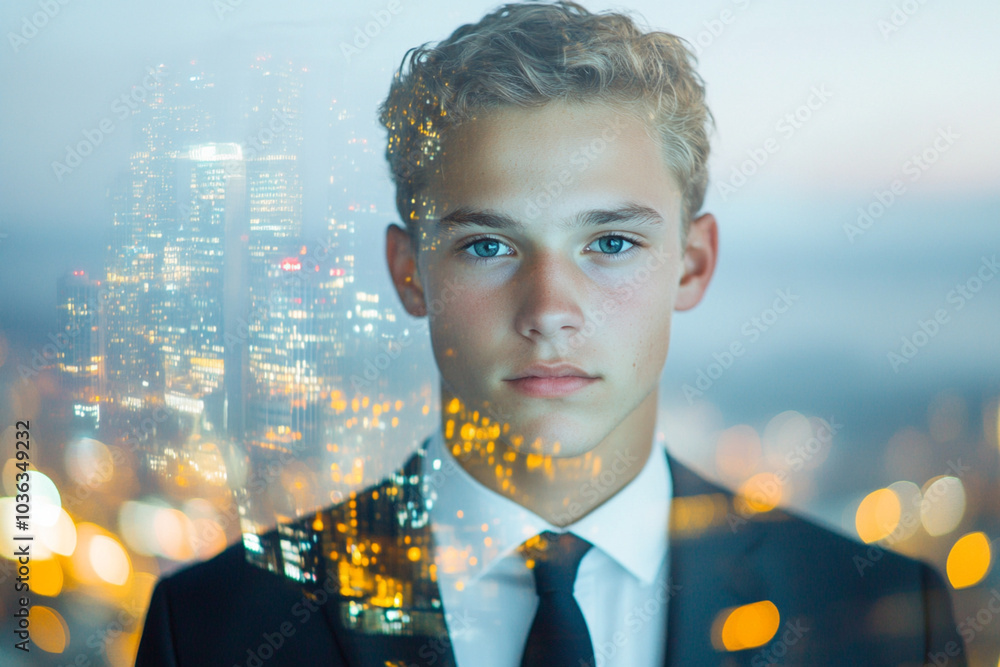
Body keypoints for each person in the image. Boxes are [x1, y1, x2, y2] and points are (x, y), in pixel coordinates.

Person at [136, 2, 966, 665]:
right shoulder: (216, 626)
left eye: (609, 243)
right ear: (410, 271)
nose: (549, 309)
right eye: (488, 245)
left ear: (692, 264)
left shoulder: (882, 618)